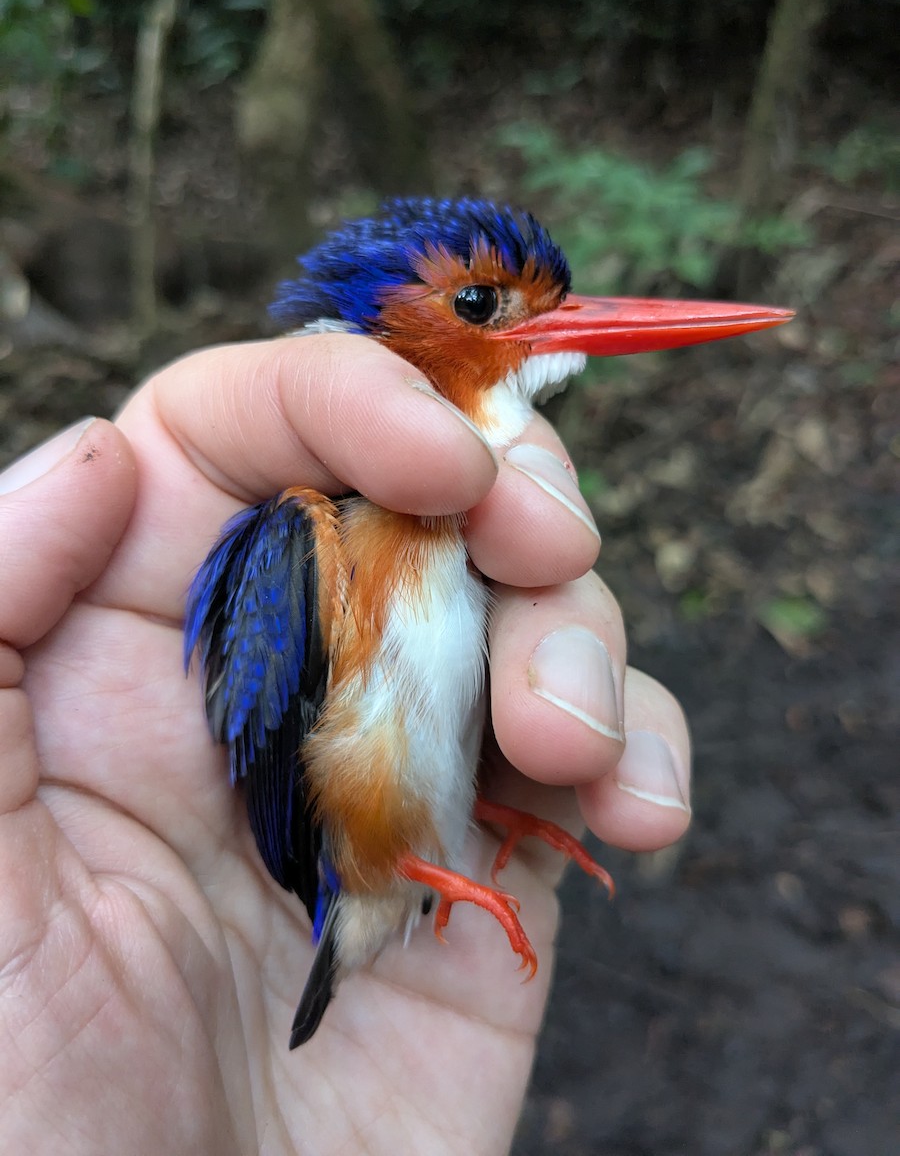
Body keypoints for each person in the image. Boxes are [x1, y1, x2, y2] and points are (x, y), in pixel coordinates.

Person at [0, 332, 690, 1153]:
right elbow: (305, 767)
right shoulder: (302, 529)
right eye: (480, 304)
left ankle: (472, 826)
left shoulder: (466, 508)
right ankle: (422, 858)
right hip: (348, 861)